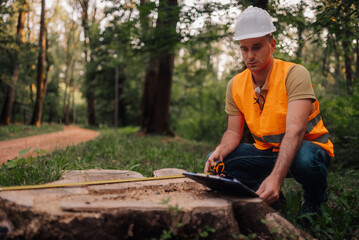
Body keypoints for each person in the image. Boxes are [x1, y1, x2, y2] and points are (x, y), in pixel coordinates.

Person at [204, 6, 334, 219]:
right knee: (216, 161)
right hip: (268, 153)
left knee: (304, 159)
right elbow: (233, 134)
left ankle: (314, 201)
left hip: (307, 151)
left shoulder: (294, 74)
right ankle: (268, 194)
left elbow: (295, 131)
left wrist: (276, 177)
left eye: (257, 47)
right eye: (244, 49)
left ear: (272, 45)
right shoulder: (235, 84)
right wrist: (220, 149)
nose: (250, 56)